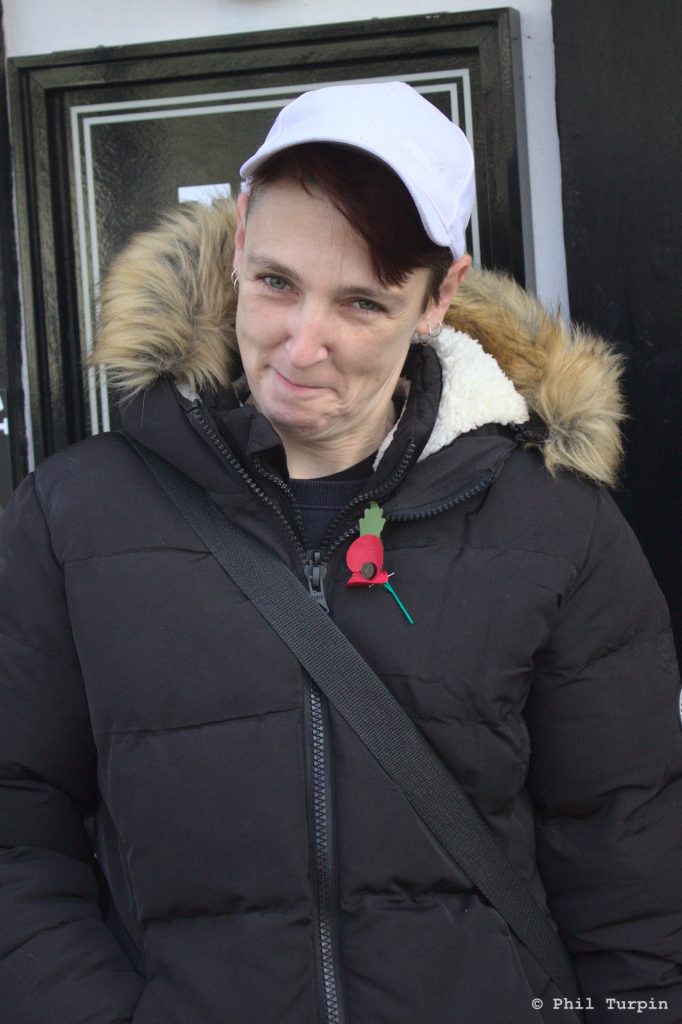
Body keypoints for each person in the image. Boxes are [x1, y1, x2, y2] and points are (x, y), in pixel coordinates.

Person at [0, 81, 680, 1024]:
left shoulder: (558, 530)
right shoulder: (72, 519)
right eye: (277, 281)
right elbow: (18, 818)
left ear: (441, 295)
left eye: (362, 302)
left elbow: (630, 849)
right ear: (238, 239)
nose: (302, 345)